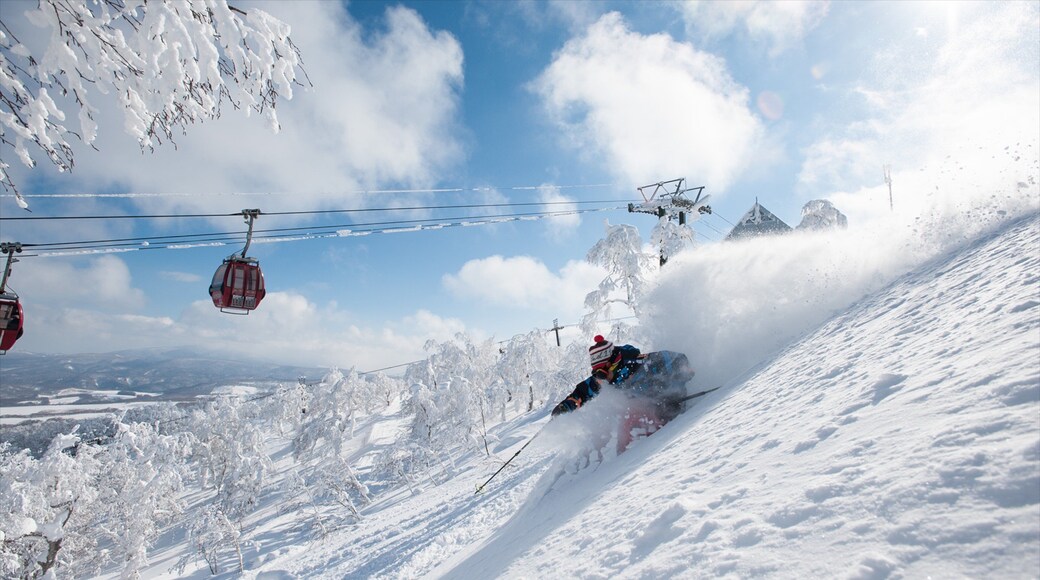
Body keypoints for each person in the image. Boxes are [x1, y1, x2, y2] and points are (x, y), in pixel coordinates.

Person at [551, 335, 693, 452]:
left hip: (670, 407)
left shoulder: (643, 364)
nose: (600, 379)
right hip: (646, 412)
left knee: (633, 420)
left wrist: (674, 392)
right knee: (626, 422)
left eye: (601, 373)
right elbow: (583, 392)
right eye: (597, 374)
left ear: (612, 364)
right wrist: (566, 406)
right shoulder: (606, 379)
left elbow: (678, 360)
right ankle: (623, 461)